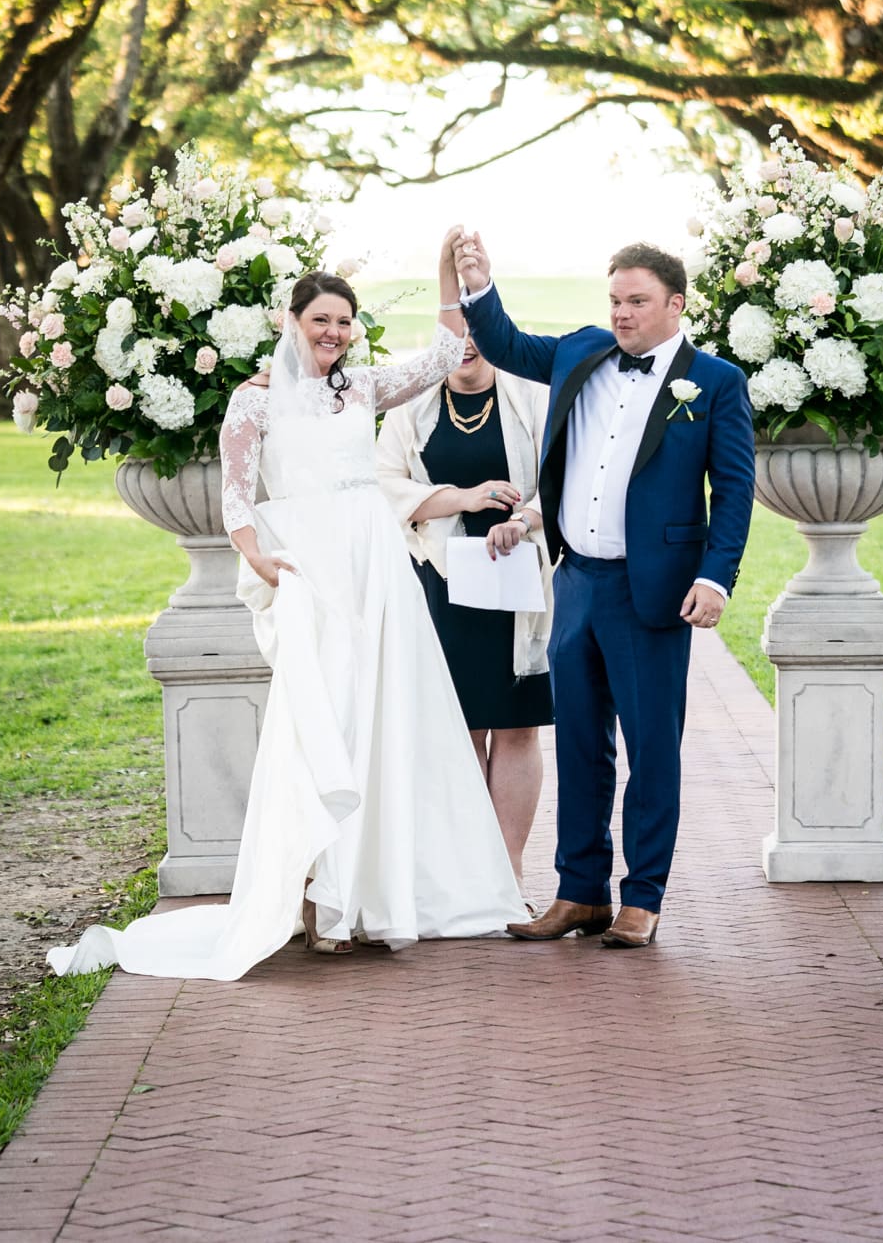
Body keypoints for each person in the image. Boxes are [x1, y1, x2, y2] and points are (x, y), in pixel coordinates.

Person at [47, 237, 526, 980]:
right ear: (293, 319)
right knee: (322, 723)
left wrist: (444, 271)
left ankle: (369, 899)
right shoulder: (254, 399)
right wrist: (256, 554)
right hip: (310, 566)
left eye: (344, 321)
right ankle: (318, 901)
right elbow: (238, 494)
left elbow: (443, 351)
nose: (333, 333)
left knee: (379, 720)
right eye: (321, 320)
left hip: (375, 564)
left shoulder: (361, 388)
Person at [452, 231, 755, 949]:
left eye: (638, 302)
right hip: (577, 584)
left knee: (653, 749)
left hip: (652, 592)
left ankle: (641, 898)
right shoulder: (581, 352)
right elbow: (505, 344)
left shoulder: (713, 382)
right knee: (582, 746)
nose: (622, 314)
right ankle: (579, 893)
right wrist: (478, 285)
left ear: (676, 305)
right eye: (616, 300)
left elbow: (736, 488)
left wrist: (716, 576)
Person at [376, 330, 554, 906]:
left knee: (517, 724)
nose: (468, 346)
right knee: (461, 729)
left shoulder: (531, 396)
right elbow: (382, 485)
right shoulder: (412, 405)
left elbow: (566, 475)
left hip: (520, 580)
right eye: (456, 336)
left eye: (479, 334)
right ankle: (466, 876)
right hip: (443, 583)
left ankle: (510, 876)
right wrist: (465, 498)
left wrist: (524, 518)